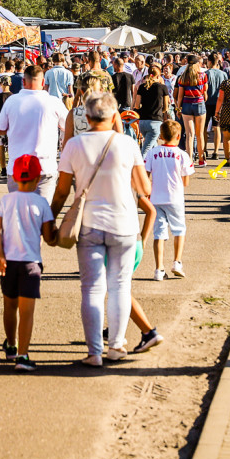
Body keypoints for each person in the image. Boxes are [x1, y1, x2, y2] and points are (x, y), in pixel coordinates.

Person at [52, 92, 152, 366]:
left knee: (91, 289)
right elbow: (145, 188)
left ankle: (94, 351)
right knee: (120, 286)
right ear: (113, 115)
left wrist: (50, 220)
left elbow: (62, 192)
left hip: (90, 224)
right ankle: (117, 346)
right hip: (124, 224)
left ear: (86, 114)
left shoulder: (74, 145)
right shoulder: (127, 144)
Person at [0, 154, 56, 372]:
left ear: (15, 177)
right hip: (31, 264)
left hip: (8, 262)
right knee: (26, 312)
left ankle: (10, 345)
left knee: (9, 307)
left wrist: (0, 255)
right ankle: (23, 355)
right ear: (38, 178)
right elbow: (48, 237)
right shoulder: (41, 203)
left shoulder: (6, 200)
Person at [0, 65, 69, 201]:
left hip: (17, 167)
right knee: (42, 213)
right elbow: (68, 126)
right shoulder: (54, 102)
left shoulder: (12, 101)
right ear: (42, 82)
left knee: (18, 213)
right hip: (44, 167)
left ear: (24, 82)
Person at [144, 120, 193, 280]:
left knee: (159, 233)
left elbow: (146, 175)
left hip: (156, 198)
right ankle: (177, 262)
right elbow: (185, 182)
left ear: (161, 135)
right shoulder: (182, 155)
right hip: (175, 197)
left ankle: (159, 269)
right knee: (179, 230)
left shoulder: (152, 153)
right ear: (178, 136)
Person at [176, 54, 209, 167]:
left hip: (186, 104)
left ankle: (189, 161)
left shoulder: (182, 76)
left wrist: (178, 108)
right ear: (197, 64)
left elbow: (180, 96)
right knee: (199, 134)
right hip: (199, 104)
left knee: (189, 134)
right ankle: (201, 159)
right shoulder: (203, 76)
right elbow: (205, 95)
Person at [134, 65, 170, 158]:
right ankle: (140, 168)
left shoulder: (142, 87)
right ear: (158, 76)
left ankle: (156, 165)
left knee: (153, 147)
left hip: (142, 122)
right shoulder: (163, 88)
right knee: (146, 149)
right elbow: (166, 107)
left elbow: (137, 105)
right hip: (155, 121)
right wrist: (161, 111)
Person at [204, 53, 228, 159]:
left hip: (206, 102)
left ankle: (204, 149)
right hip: (219, 103)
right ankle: (216, 151)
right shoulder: (223, 74)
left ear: (209, 62)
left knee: (204, 127)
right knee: (217, 127)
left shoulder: (205, 73)